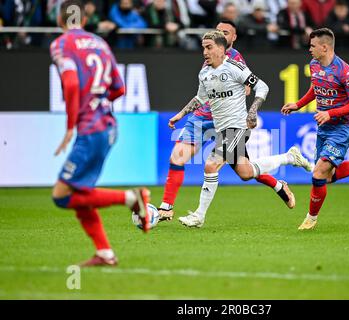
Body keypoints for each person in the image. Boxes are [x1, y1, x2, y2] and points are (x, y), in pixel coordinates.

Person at [158, 20, 312, 222]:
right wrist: (180, 114)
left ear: (227, 42)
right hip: (210, 122)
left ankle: (198, 216)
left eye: (209, 47)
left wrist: (252, 111)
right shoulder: (205, 71)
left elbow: (260, 86)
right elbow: (200, 98)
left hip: (236, 126)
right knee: (245, 172)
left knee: (211, 165)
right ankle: (289, 159)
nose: (204, 52)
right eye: (203, 47)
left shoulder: (235, 64)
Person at [50, 0, 151, 267]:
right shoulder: (100, 43)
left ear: (60, 21)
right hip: (108, 125)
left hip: (90, 128)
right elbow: (119, 88)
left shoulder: (61, 44)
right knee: (81, 191)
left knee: (61, 195)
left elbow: (71, 81)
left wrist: (71, 124)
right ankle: (105, 253)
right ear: (85, 21)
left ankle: (131, 198)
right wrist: (98, 101)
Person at [281, 28, 349, 230]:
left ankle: (311, 219)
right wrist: (298, 104)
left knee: (317, 175)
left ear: (325, 47)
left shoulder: (344, 70)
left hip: (342, 129)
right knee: (328, 177)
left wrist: (330, 113)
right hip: (323, 129)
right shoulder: (314, 65)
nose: (309, 49)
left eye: (313, 45)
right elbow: (316, 88)